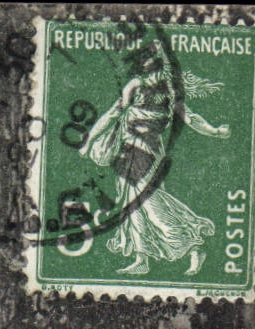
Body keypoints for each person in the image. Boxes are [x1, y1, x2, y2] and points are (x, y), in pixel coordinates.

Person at [82, 57, 230, 277]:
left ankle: (193, 245)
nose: (154, 75)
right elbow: (114, 113)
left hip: (148, 151)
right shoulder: (135, 87)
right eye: (149, 70)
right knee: (133, 203)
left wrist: (215, 131)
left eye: (157, 70)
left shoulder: (170, 92)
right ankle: (142, 258)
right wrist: (89, 141)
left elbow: (191, 118)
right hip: (128, 149)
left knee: (149, 202)